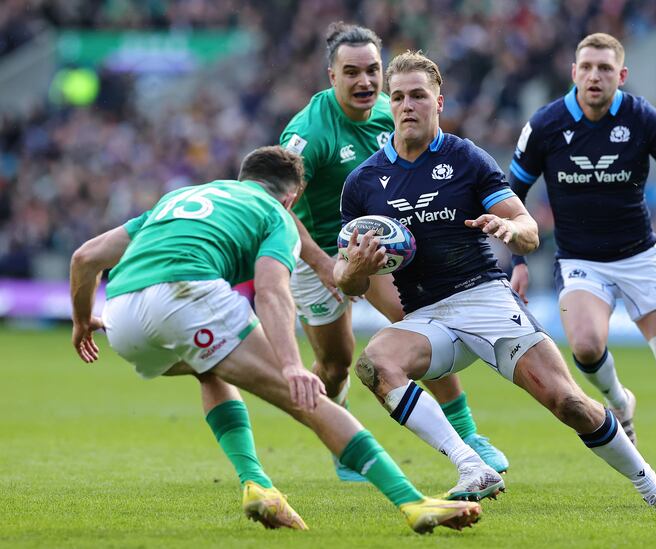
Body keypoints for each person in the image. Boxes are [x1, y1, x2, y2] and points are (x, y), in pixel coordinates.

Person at [334, 50, 656, 508]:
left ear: (439, 102)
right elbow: (344, 279)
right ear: (390, 103)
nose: (408, 105)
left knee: (569, 403)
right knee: (375, 364)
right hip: (426, 315)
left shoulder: (465, 158)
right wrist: (355, 270)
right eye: (400, 97)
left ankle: (653, 487)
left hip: (484, 298)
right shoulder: (364, 182)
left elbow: (528, 229)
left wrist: (511, 230)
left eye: (419, 96)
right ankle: (471, 465)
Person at [69, 146, 481, 534]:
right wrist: (289, 364)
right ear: (293, 196)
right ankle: (413, 503)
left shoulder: (184, 196)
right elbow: (271, 291)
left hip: (120, 315)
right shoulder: (275, 214)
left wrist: (81, 320)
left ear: (243, 178)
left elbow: (86, 257)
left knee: (209, 369)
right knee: (310, 400)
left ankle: (257, 484)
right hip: (187, 295)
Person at [507, 33, 656, 486]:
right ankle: (619, 399)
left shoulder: (640, 117)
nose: (595, 76)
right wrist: (519, 259)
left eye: (605, 68)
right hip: (580, 260)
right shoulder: (547, 124)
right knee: (586, 346)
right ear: (574, 71)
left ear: (622, 75)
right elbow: (511, 193)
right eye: (587, 67)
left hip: (640, 257)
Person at [279, 22, 507, 481]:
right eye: (351, 72)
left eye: (372, 70)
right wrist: (326, 265)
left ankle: (467, 434)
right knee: (336, 362)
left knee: (415, 320)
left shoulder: (394, 111)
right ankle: (342, 441)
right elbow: (279, 209)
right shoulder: (308, 134)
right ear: (331, 76)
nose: (364, 81)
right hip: (315, 252)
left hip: (379, 246)